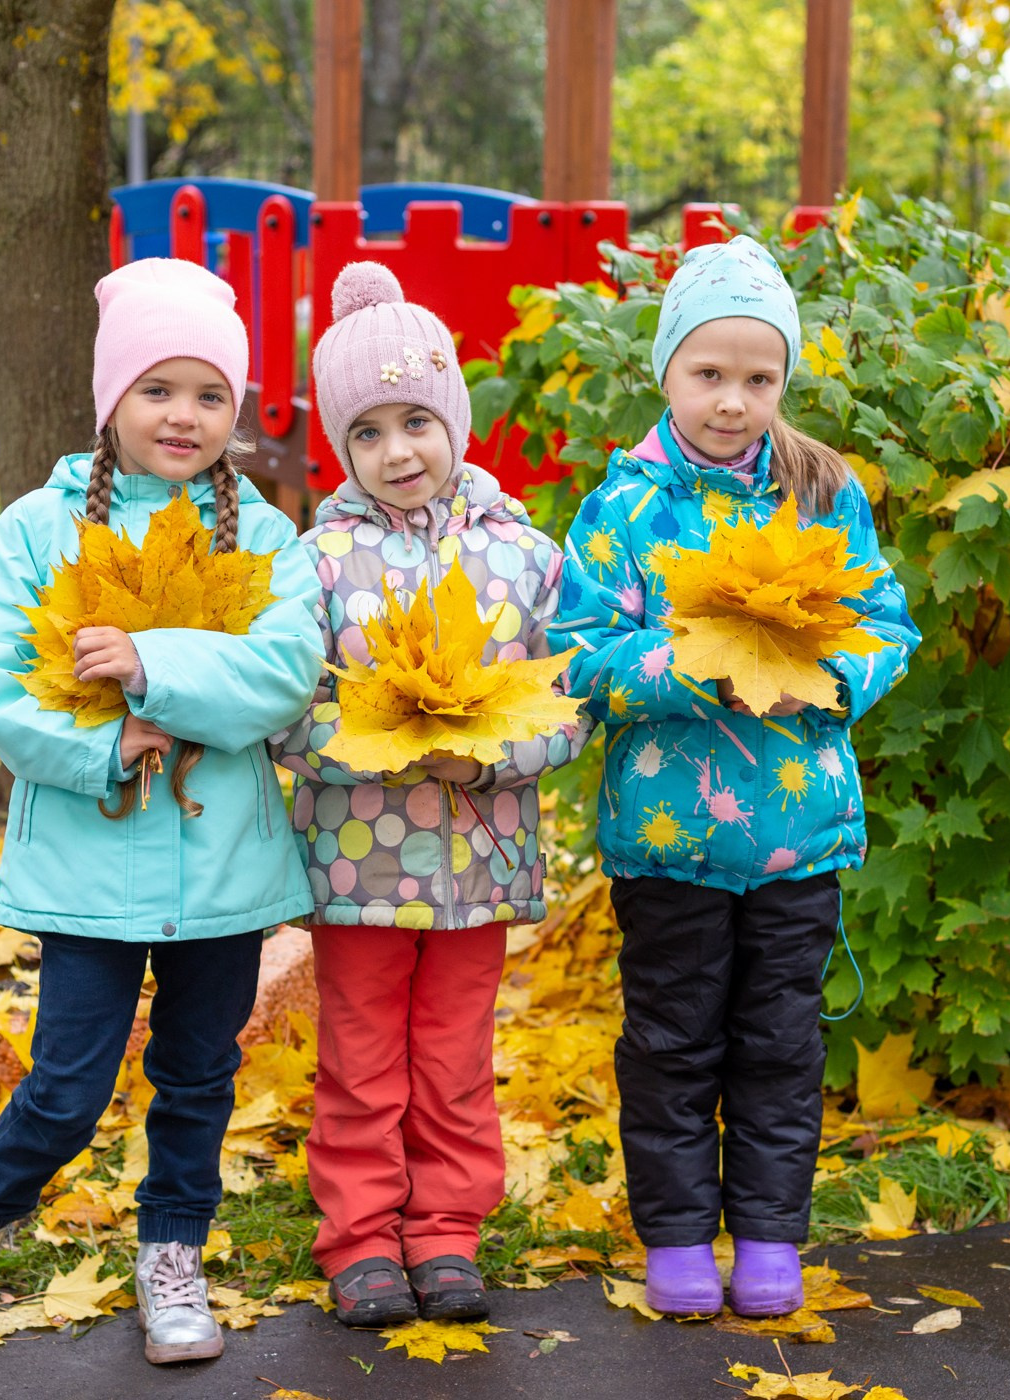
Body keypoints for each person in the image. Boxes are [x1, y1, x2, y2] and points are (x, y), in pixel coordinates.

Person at [0, 258, 324, 1368]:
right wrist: (98, 743)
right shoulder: (39, 528)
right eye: (157, 389)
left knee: (198, 1073)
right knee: (67, 1083)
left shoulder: (260, 534)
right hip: (89, 858)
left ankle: (173, 1252)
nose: (183, 415)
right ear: (110, 399)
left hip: (222, 867)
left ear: (237, 410)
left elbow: (285, 668)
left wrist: (155, 667)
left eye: (210, 394)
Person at [552, 235, 920, 1317]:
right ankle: (674, 1236)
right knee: (670, 1040)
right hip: (667, 839)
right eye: (709, 373)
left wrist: (837, 675)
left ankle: (767, 1234)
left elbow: (885, 620)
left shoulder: (821, 490)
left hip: (799, 835)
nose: (732, 400)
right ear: (667, 370)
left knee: (779, 1044)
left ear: (784, 381)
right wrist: (679, 668)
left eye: (760, 378)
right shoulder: (623, 508)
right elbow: (575, 657)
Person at [269, 263, 589, 1327]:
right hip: (357, 861)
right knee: (362, 1057)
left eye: (416, 420)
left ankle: (447, 1230)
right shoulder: (314, 564)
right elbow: (282, 708)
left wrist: (492, 760)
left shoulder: (526, 558)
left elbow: (572, 701)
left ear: (452, 413)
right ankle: (361, 1235)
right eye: (367, 431)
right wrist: (366, 745)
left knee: (453, 1060)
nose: (398, 450)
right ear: (341, 447)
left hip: (479, 863)